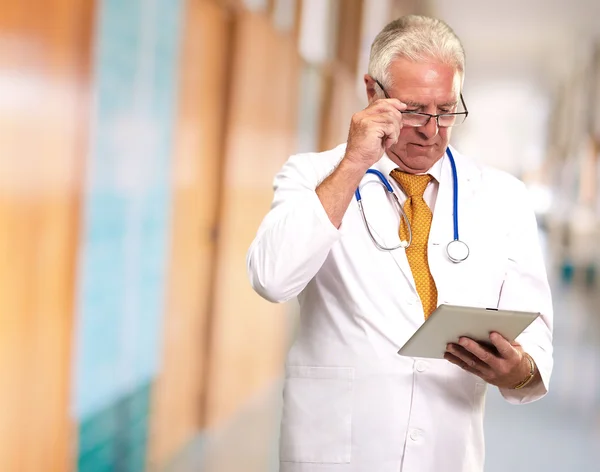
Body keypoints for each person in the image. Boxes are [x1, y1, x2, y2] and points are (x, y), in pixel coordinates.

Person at [246, 14, 553, 472]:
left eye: (446, 110)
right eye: (413, 110)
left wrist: (520, 371)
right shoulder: (312, 176)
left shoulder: (503, 197)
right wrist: (353, 162)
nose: (431, 130)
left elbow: (535, 338)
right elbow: (272, 278)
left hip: (447, 449)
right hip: (338, 450)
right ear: (373, 94)